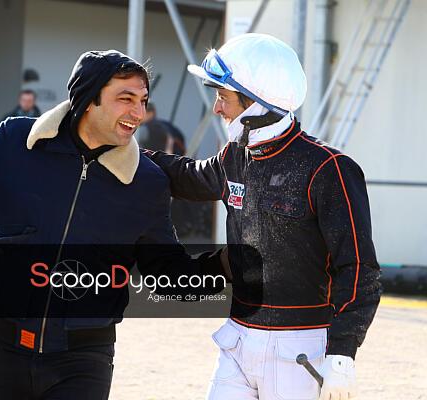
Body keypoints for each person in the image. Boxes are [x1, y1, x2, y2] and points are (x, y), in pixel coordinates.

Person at [0, 50, 228, 399]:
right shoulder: (15, 141)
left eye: (142, 101)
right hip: (0, 350)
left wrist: (225, 267)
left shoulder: (146, 182)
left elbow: (169, 273)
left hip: (85, 360)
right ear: (89, 99)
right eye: (125, 99)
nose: (138, 113)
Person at [146, 33, 381, 400]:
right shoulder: (234, 157)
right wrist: (121, 150)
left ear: (255, 103)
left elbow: (359, 268)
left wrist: (342, 355)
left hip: (301, 351)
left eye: (223, 97)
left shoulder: (329, 168)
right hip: (238, 338)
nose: (217, 108)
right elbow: (186, 176)